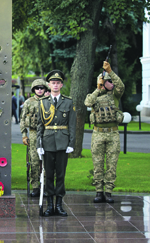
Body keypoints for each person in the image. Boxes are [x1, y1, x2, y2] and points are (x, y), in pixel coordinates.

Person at [37, 70, 76, 217]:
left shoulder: (68, 102)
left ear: (61, 85)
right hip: (47, 142)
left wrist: (71, 143)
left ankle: (59, 205)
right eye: (53, 83)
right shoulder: (42, 103)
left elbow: (72, 125)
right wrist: (38, 145)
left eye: (58, 83)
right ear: (48, 84)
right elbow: (40, 125)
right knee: (48, 175)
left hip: (62, 143)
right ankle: (49, 206)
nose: (55, 85)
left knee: (60, 174)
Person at [84, 61, 125, 204]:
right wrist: (98, 88)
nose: (111, 84)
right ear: (101, 83)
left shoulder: (115, 95)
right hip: (98, 134)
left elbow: (121, 86)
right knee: (98, 164)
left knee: (112, 164)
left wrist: (111, 72)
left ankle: (108, 192)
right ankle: (99, 192)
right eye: (108, 82)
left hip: (113, 133)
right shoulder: (95, 96)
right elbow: (87, 102)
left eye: (111, 81)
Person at [20, 79, 48, 197]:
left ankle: (45, 186)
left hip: (47, 134)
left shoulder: (49, 101)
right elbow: (22, 119)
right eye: (37, 88)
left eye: (42, 88)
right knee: (35, 162)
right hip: (33, 133)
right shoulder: (28, 102)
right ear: (33, 90)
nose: (40, 90)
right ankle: (35, 187)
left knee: (46, 162)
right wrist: (24, 135)